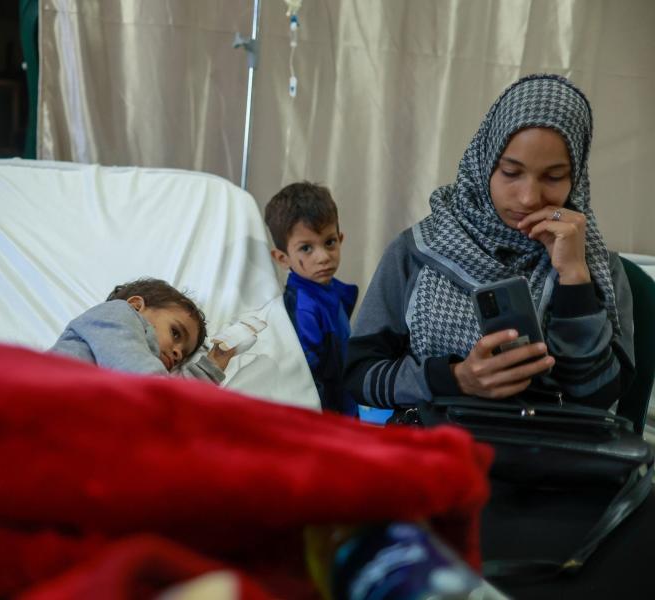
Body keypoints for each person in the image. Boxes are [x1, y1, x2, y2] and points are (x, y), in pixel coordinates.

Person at [344, 74, 635, 420]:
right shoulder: (420, 250)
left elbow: (597, 398)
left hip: (548, 461)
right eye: (511, 172)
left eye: (554, 177)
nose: (528, 198)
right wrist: (454, 379)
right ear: (484, 163)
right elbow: (360, 375)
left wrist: (574, 279)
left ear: (576, 178)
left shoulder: (595, 266)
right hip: (434, 454)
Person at [265, 182, 359, 415]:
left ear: (340, 238)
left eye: (329, 242)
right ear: (282, 258)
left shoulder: (333, 292)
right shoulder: (303, 309)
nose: (323, 257)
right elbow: (306, 384)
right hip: (325, 420)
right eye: (306, 248)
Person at [50, 277, 235, 384]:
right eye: (175, 333)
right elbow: (129, 360)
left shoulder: (150, 371)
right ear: (136, 306)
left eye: (184, 355)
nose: (178, 353)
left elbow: (180, 396)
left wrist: (212, 367)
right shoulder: (116, 313)